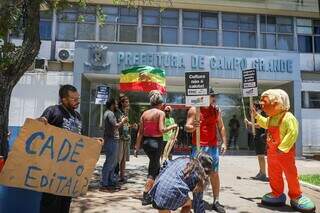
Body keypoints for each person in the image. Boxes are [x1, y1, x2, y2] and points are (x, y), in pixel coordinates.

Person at [37, 84, 103, 213]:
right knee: (50, 203)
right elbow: (40, 125)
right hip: (53, 168)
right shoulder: (53, 110)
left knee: (65, 203)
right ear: (64, 99)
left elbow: (81, 139)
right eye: (73, 99)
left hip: (70, 171)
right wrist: (39, 121)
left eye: (78, 98)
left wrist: (93, 141)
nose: (77, 101)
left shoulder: (78, 116)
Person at [252, 89, 316, 213]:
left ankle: (296, 196)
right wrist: (257, 116)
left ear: (281, 103)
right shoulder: (271, 118)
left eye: (267, 102)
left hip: (284, 153)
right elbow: (265, 124)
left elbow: (293, 133)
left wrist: (283, 148)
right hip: (272, 152)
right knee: (274, 174)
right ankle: (277, 193)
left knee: (290, 174)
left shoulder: (288, 117)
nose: (264, 105)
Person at [185, 87, 227, 213]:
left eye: (214, 96)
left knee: (214, 173)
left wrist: (224, 142)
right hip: (198, 147)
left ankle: (216, 201)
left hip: (213, 147)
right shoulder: (194, 109)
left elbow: (221, 126)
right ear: (204, 97)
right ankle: (198, 201)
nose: (214, 98)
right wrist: (193, 127)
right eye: (211, 96)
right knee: (197, 175)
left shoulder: (216, 110)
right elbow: (187, 127)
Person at [134, 90, 177, 205]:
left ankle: (154, 192)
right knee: (153, 170)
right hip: (156, 143)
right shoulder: (160, 113)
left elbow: (140, 132)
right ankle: (146, 195)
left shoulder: (144, 114)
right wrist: (173, 126)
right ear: (160, 103)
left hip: (146, 143)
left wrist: (137, 147)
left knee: (155, 166)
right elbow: (162, 130)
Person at [100, 98, 128, 191]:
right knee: (110, 162)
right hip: (111, 140)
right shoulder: (110, 113)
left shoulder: (109, 113)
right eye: (115, 104)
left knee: (113, 162)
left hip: (112, 140)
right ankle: (104, 183)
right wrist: (123, 121)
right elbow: (115, 125)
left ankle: (110, 181)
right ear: (112, 104)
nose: (117, 106)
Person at [245, 104, 268, 182]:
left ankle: (263, 173)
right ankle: (261, 172)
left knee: (261, 155)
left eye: (253, 107)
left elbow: (259, 125)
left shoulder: (260, 114)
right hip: (257, 136)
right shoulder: (257, 114)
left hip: (261, 137)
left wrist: (249, 123)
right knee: (259, 155)